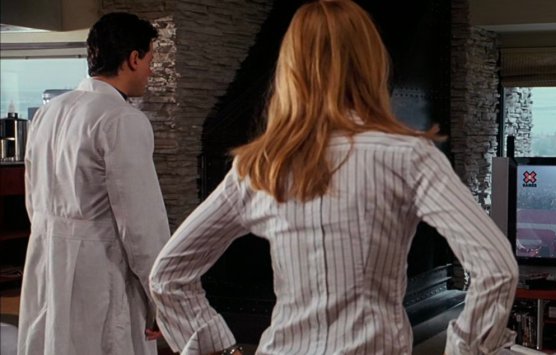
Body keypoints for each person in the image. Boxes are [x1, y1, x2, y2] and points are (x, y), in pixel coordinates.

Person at [148, 1, 519, 355]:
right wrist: (465, 348)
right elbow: (497, 268)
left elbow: (168, 276)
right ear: (372, 63)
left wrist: (218, 349)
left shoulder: (260, 164)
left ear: (290, 70)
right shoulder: (408, 156)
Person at [18, 12, 169, 355]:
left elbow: (33, 197)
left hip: (46, 260)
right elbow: (142, 224)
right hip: (100, 271)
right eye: (150, 61)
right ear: (133, 58)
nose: (151, 71)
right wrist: (162, 297)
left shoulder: (48, 112)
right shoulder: (122, 119)